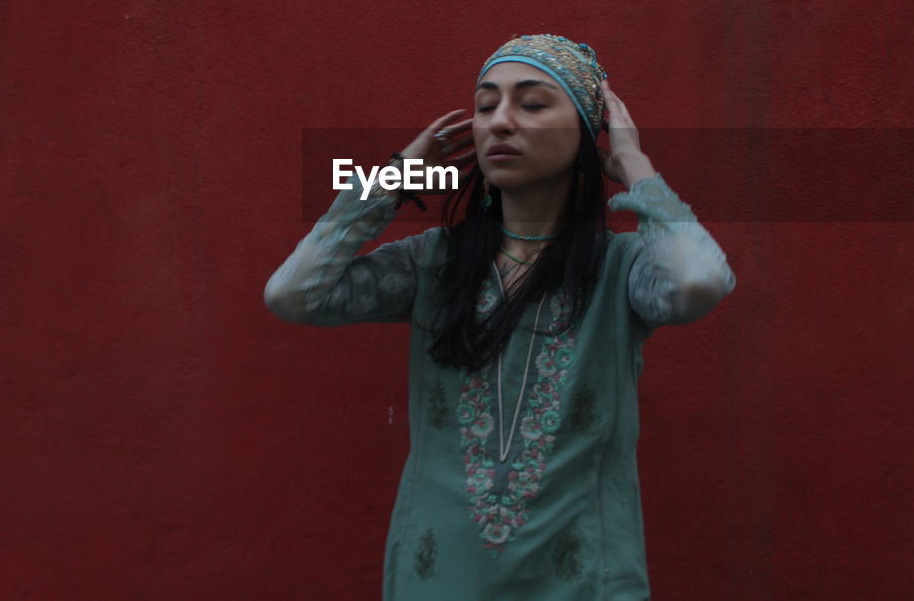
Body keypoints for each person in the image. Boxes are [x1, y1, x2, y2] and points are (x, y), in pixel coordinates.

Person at [264, 33, 738, 600]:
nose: (500, 121)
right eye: (486, 106)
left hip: (584, 583)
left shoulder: (622, 270)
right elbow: (294, 294)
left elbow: (699, 281)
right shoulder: (433, 263)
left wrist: (636, 166)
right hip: (437, 579)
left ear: (587, 137)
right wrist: (397, 176)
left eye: (533, 103)